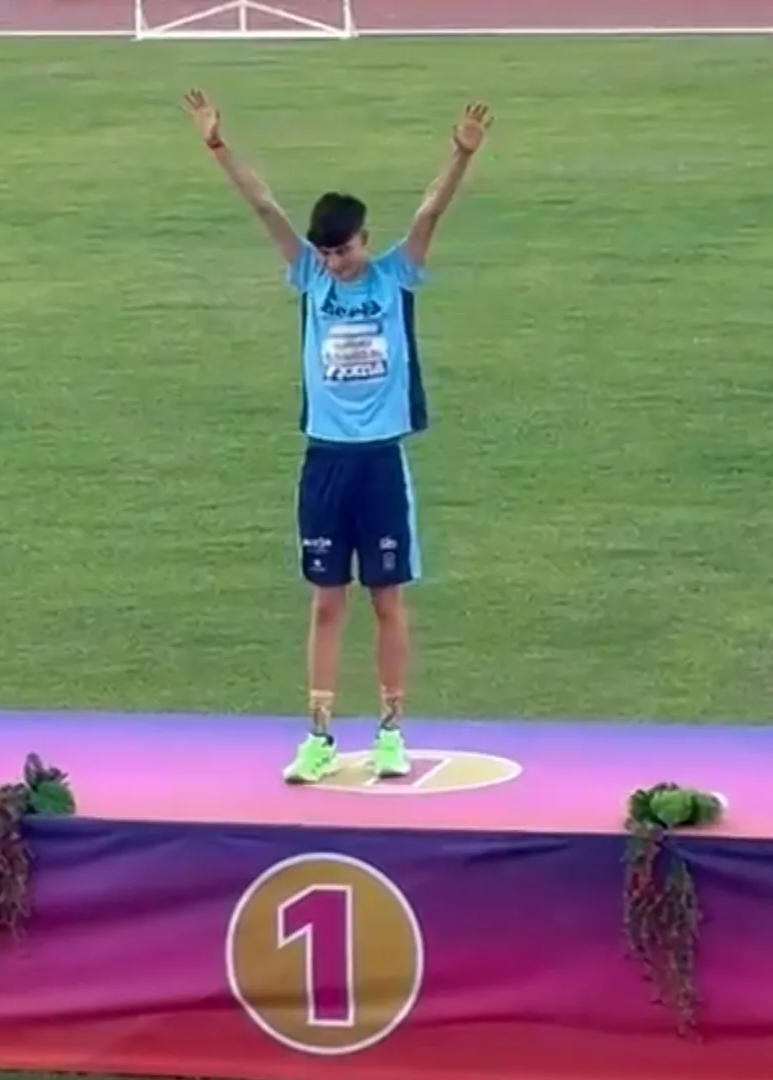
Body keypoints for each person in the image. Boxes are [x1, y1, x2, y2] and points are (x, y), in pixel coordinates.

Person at [183, 89, 492, 784]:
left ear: (363, 238)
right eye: (324, 254)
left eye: (343, 250)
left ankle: (390, 731)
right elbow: (265, 207)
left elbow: (430, 211)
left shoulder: (393, 274)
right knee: (326, 601)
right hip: (323, 461)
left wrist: (461, 153)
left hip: (380, 461)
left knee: (387, 600)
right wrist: (216, 142)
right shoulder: (307, 276)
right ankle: (318, 735)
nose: (334, 263)